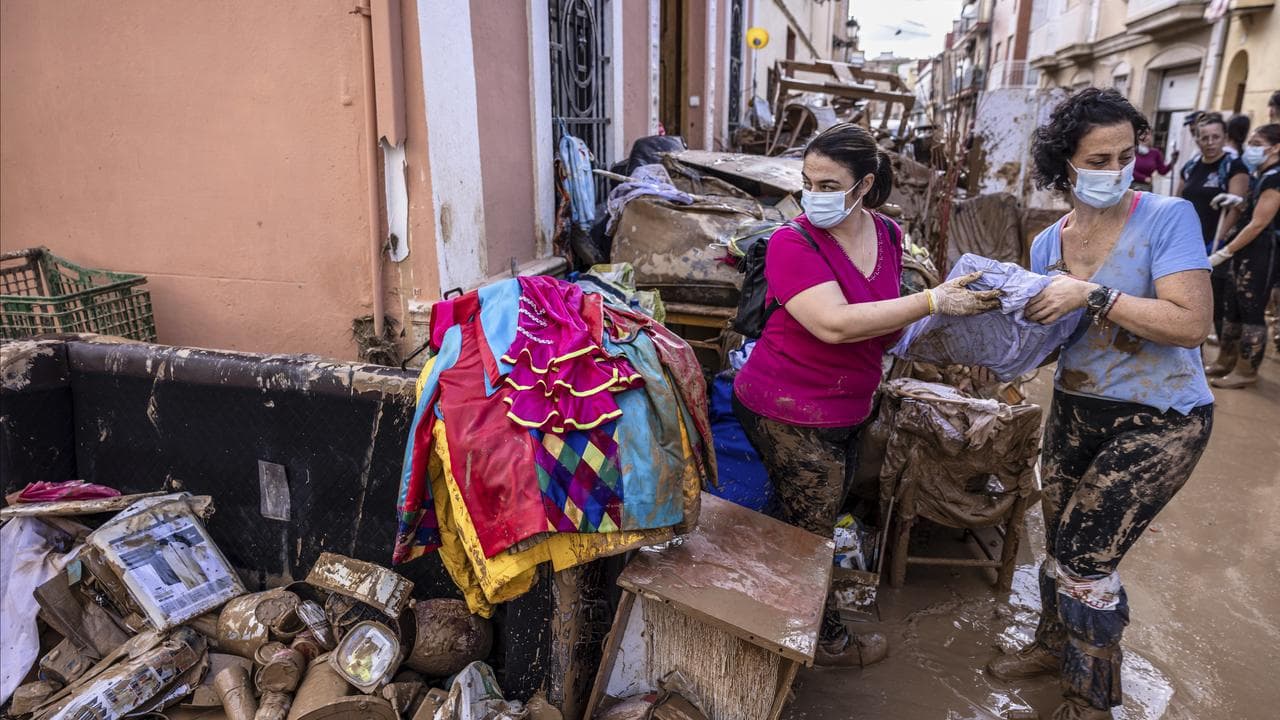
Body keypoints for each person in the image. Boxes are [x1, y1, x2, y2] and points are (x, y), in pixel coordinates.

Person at [732, 122, 1000, 667]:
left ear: (864, 185)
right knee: (813, 531)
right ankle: (827, 641)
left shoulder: (888, 235)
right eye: (808, 181)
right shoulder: (792, 240)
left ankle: (783, 612)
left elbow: (883, 325)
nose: (813, 195)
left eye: (828, 183)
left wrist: (957, 326)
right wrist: (931, 303)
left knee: (815, 513)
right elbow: (832, 324)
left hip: (849, 405)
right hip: (787, 407)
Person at [986, 88, 1214, 720]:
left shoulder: (1168, 217)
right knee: (1058, 539)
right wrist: (998, 344)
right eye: (1097, 159)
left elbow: (1191, 323)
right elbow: (1053, 339)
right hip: (1078, 408)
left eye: (1124, 156)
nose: (1113, 170)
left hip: (1161, 417)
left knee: (1089, 553)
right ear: (1064, 165)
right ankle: (1052, 644)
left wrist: (1092, 294)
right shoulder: (1045, 245)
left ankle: (1090, 700)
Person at [1206, 123, 1280, 388]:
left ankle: (1246, 368)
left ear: (1276, 147)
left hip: (1263, 250)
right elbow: (1255, 209)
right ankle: (1226, 361)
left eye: (1258, 144)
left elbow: (1259, 223)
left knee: (1251, 308)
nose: (1251, 148)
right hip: (1248, 248)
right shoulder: (1262, 173)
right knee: (1232, 304)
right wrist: (1237, 202)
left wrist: (1225, 251)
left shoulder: (1275, 177)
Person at [1175, 112, 1250, 347]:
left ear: (1224, 137)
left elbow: (1236, 207)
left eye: (1215, 137)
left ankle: (1225, 353)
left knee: (1215, 296)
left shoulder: (1233, 166)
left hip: (1215, 242)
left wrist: (1217, 243)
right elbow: (1178, 199)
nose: (1209, 143)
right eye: (1204, 138)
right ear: (1197, 138)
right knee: (1185, 294)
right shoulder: (1191, 166)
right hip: (1187, 240)